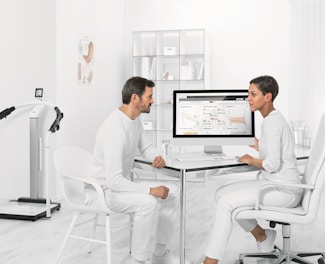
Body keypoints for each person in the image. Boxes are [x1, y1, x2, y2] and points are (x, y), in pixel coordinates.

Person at [202, 75, 304, 264]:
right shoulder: (274, 119)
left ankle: (210, 260)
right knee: (221, 194)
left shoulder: (271, 122)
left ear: (268, 97)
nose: (248, 98)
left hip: (284, 190)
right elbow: (272, 150)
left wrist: (250, 160)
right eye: (249, 93)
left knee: (225, 202)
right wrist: (249, 140)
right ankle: (263, 237)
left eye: (253, 94)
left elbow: (272, 164)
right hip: (278, 185)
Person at [87, 76, 181, 264]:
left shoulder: (134, 119)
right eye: (149, 97)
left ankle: (159, 254)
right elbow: (114, 181)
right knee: (148, 203)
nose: (153, 101)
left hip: (119, 187)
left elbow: (145, 146)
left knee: (174, 192)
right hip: (103, 191)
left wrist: (155, 156)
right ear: (135, 99)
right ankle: (139, 259)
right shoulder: (115, 130)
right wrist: (150, 190)